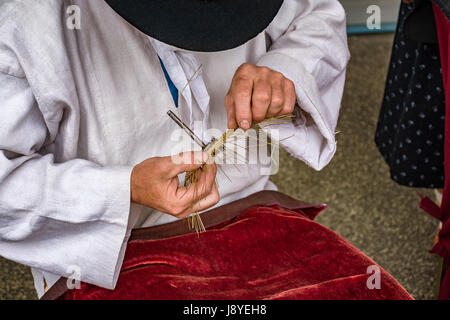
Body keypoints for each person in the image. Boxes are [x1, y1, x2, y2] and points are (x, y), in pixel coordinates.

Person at [0, 0, 349, 297]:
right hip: (104, 242)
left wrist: (283, 69)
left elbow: (318, 16)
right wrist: (125, 189)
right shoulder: (30, 18)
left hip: (245, 202)